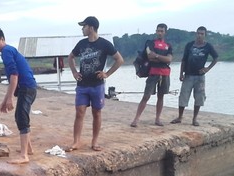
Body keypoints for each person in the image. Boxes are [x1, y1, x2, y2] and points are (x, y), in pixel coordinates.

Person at [66, 16, 123, 152]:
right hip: (82, 85)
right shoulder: (81, 44)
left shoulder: (104, 44)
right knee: (79, 112)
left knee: (96, 112)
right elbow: (71, 57)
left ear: (91, 28)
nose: (82, 29)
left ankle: (94, 141)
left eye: (84, 26)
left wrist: (107, 74)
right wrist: (74, 72)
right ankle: (76, 142)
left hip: (97, 85)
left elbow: (119, 60)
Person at [0, 27, 37, 164]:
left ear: (2, 39)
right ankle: (28, 149)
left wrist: (9, 99)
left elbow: (14, 75)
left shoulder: (6, 51)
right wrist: (5, 100)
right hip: (28, 87)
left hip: (27, 87)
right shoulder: (8, 50)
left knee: (21, 117)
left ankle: (24, 155)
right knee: (22, 115)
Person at [171, 26, 218, 127]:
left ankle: (194, 118)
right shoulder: (189, 45)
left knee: (199, 97)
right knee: (183, 96)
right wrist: (181, 73)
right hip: (188, 75)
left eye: (202, 34)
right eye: (198, 33)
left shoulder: (208, 46)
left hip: (200, 76)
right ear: (196, 34)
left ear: (205, 35)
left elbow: (215, 58)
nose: (200, 35)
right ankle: (180, 117)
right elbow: (184, 60)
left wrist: (207, 68)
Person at [130, 23, 172, 128]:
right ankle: (136, 119)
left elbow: (169, 59)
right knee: (146, 96)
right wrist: (162, 58)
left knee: (161, 96)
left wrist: (157, 56)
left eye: (162, 31)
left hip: (165, 73)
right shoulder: (151, 43)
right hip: (153, 72)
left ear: (165, 32)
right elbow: (150, 57)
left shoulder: (168, 45)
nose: (159, 33)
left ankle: (157, 118)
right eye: (158, 31)